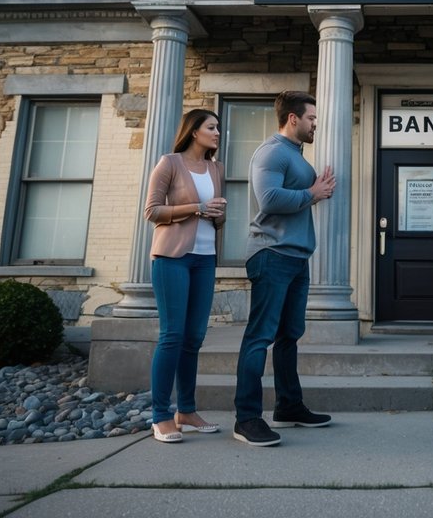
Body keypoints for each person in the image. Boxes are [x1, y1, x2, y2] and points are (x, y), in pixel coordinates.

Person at [233, 90, 336, 447]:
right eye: (311, 119)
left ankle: (289, 406)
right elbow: (270, 199)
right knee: (260, 336)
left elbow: (300, 194)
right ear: (292, 118)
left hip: (295, 256)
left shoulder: (294, 154)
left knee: (289, 335)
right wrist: (313, 193)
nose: (315, 125)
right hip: (271, 254)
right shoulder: (273, 152)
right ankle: (246, 418)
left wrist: (314, 190)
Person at [143, 108, 228, 443]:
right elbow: (153, 211)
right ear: (194, 131)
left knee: (194, 338)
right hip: (172, 258)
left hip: (205, 259)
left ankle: (187, 411)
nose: (218, 132)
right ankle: (161, 415)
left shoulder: (216, 168)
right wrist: (197, 208)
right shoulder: (169, 163)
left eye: (218, 127)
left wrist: (218, 215)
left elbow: (217, 219)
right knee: (172, 336)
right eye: (211, 127)